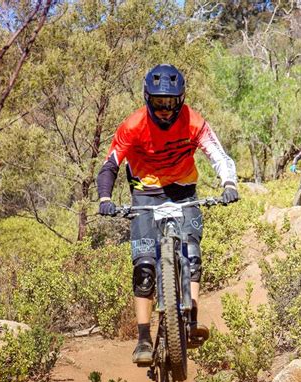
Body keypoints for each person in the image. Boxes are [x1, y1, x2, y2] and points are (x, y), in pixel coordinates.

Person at [96, 64, 239, 365]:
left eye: (170, 103)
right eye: (159, 103)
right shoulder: (132, 125)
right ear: (148, 99)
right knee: (144, 267)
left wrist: (229, 184)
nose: (164, 110)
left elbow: (219, 155)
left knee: (193, 252)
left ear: (181, 100)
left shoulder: (193, 121)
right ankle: (144, 338)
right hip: (145, 194)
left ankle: (193, 315)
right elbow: (110, 164)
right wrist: (105, 198)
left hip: (184, 190)